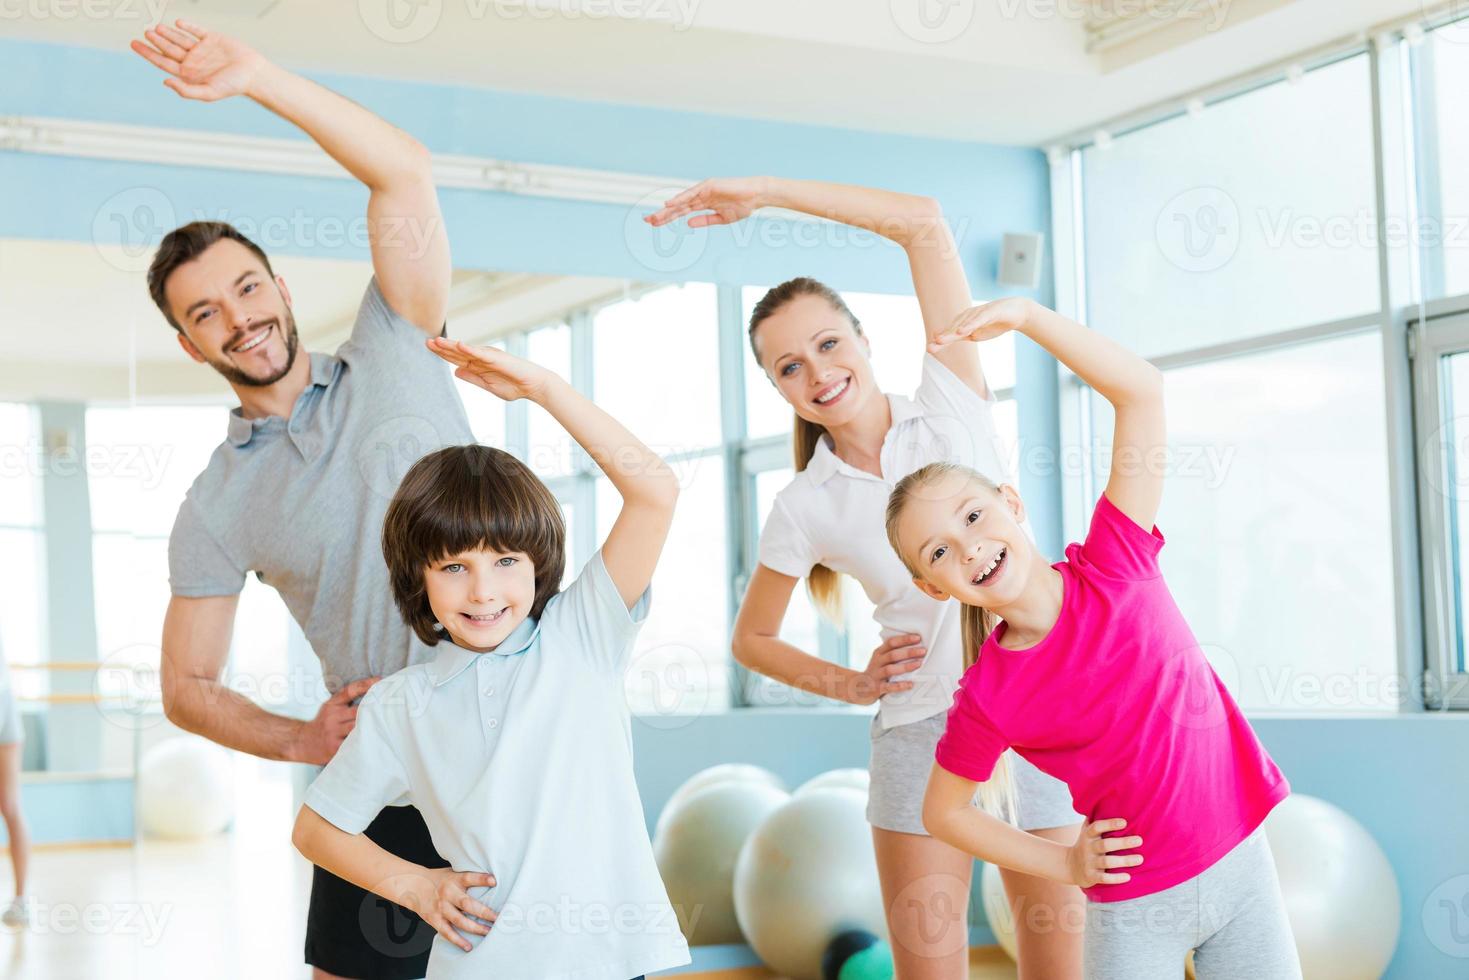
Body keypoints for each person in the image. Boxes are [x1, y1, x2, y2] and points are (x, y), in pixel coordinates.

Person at [647, 177, 1085, 979]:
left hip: (1041, 716)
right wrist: (851, 684)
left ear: (863, 339)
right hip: (922, 733)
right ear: (776, 387)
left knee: (1062, 967)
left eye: (827, 343)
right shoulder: (803, 504)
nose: (815, 372)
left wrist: (763, 195)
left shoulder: (951, 398)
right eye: (788, 366)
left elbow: (922, 220)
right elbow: (752, 639)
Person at [134, 21, 469, 979]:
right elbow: (185, 688)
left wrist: (258, 77)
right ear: (192, 345)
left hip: (516, 730)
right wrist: (300, 737)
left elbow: (403, 172)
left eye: (247, 287)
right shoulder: (216, 502)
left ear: (279, 285)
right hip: (386, 773)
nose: (240, 318)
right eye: (207, 313)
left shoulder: (398, 342)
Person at [885, 297, 1299, 979]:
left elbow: (1139, 391)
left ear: (1010, 504)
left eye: (973, 515)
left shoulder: (1116, 558)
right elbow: (944, 811)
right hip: (1133, 910)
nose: (969, 547)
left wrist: (1025, 317)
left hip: (1242, 869)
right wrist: (1063, 862)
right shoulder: (988, 693)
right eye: (937, 552)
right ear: (936, 589)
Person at [292, 338, 691, 980]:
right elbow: (316, 830)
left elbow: (655, 491)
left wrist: (545, 389)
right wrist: (415, 885)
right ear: (419, 579)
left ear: (538, 565)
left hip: (609, 963)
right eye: (454, 566)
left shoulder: (581, 635)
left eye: (506, 561)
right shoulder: (401, 703)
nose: (483, 591)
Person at [0, 637, 30, 928]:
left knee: (10, 806)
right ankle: (21, 901)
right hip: (6, 699)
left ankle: (21, 901)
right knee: (10, 806)